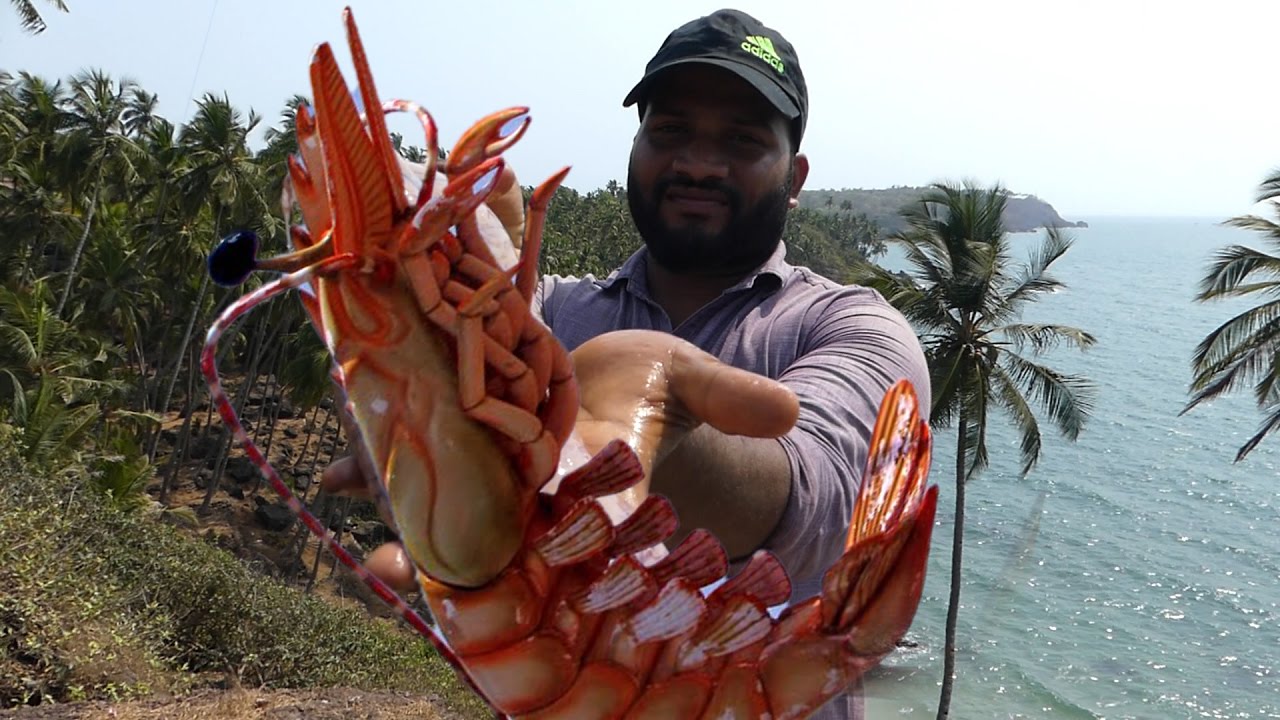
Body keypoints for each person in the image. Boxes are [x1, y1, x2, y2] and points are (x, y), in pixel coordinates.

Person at [325, 9, 930, 719]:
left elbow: (819, 508)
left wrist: (661, 413)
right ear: (637, 146)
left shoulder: (853, 328)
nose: (699, 163)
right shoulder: (539, 315)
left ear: (794, 176)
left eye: (741, 140)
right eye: (670, 131)